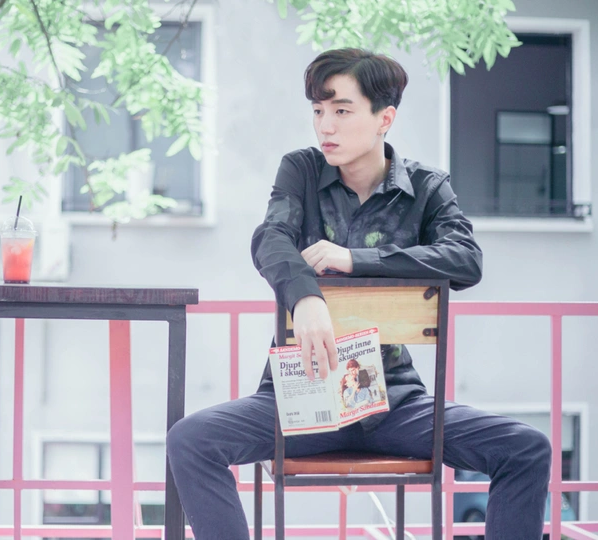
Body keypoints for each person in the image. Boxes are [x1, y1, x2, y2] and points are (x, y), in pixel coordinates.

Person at [166, 48, 551, 539]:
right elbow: (271, 239)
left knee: (526, 448)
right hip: (300, 399)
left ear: (384, 118)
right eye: (318, 110)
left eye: (342, 111)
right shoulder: (302, 171)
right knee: (191, 440)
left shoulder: (427, 188)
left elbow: (465, 260)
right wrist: (307, 299)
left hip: (393, 403)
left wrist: (356, 259)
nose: (325, 126)